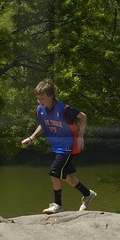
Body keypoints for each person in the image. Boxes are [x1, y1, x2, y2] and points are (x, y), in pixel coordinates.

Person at [21, 79, 95, 214]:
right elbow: (43, 125)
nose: (40, 101)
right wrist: (32, 138)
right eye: (38, 99)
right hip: (57, 147)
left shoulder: (64, 109)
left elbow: (83, 117)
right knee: (64, 175)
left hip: (69, 145)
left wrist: (80, 136)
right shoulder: (40, 110)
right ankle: (88, 194)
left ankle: (58, 204)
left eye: (42, 98)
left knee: (54, 172)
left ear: (50, 96)